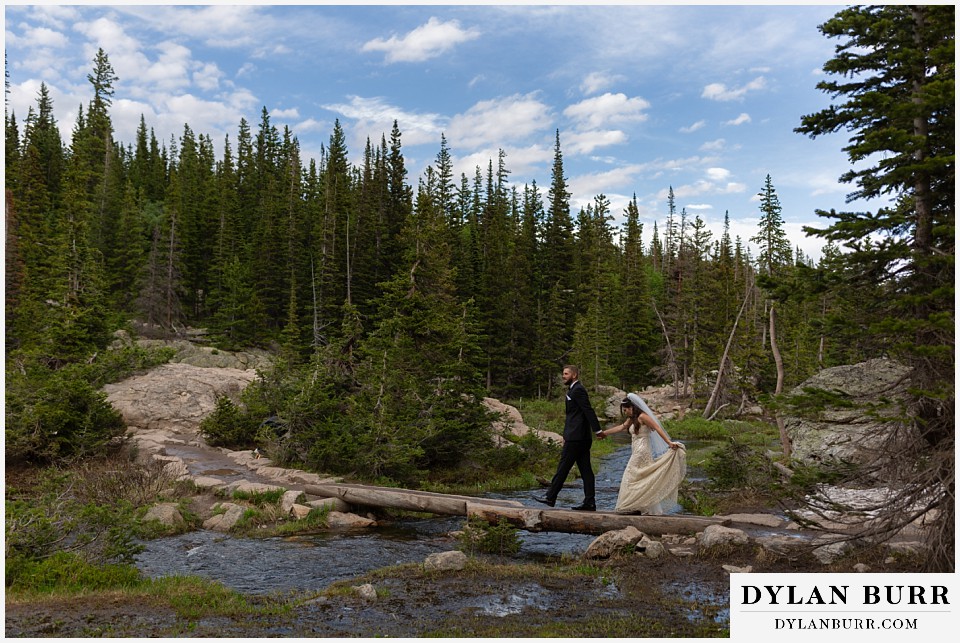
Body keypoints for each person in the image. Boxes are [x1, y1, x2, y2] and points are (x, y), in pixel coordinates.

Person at [597, 392, 686, 515]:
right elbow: (621, 427)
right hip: (637, 449)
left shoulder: (643, 416)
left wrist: (668, 443)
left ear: (633, 407)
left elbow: (657, 427)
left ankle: (631, 505)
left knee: (630, 475)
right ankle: (641, 506)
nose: (625, 412)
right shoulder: (632, 419)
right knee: (641, 478)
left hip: (642, 450)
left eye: (626, 409)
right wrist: (604, 433)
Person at [534, 365, 603, 511]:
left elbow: (588, 410)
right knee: (586, 471)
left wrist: (598, 430)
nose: (563, 376)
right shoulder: (573, 390)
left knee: (563, 467)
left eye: (566, 374)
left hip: (577, 438)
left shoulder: (578, 390)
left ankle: (550, 497)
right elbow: (572, 416)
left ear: (574, 375)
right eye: (563, 374)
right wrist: (566, 435)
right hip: (578, 437)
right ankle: (589, 502)